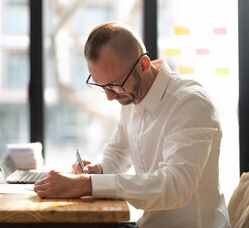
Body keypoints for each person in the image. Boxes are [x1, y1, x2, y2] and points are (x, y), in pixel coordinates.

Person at [33, 21, 231, 227]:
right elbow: (118, 152)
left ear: (143, 65)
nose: (109, 96)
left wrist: (87, 185)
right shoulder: (130, 96)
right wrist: (98, 170)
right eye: (102, 86)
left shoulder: (190, 103)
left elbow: (176, 185)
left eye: (113, 85)